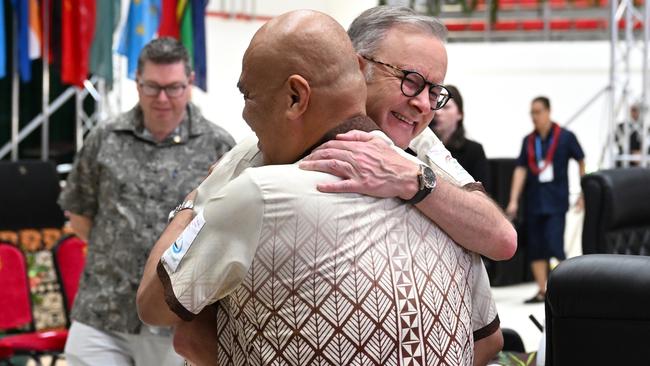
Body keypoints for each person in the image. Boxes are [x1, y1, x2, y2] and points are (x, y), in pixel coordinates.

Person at [137, 9, 507, 366]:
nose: (423, 104)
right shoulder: (440, 200)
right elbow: (487, 340)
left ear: (296, 96)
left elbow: (175, 325)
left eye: (434, 91)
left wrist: (194, 203)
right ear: (359, 68)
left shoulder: (256, 187)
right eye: (410, 81)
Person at [58, 37, 235, 365]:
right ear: (137, 83)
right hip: (102, 312)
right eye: (152, 87)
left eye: (174, 87)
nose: (163, 99)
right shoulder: (104, 138)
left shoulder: (219, 146)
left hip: (177, 319)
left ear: (190, 83)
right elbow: (81, 214)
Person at [505, 96, 585, 304]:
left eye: (538, 111)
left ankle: (566, 289)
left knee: (554, 245)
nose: (535, 117)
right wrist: (513, 199)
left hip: (556, 200)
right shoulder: (529, 141)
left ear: (548, 111)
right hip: (534, 201)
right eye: (532, 112)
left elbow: (581, 159)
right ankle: (543, 290)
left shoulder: (565, 137)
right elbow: (521, 169)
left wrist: (584, 191)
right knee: (535, 247)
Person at [430, 84, 489, 184]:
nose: (438, 112)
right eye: (436, 106)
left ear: (460, 114)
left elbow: (483, 191)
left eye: (446, 107)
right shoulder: (422, 145)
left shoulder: (474, 150)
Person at [615, 102, 643, 166]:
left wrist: (640, 153)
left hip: (641, 160)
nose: (634, 113)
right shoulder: (621, 127)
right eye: (632, 110)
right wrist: (632, 153)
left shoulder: (645, 128)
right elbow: (618, 142)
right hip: (626, 160)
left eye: (636, 110)